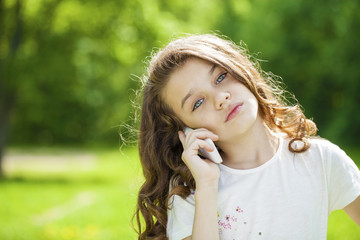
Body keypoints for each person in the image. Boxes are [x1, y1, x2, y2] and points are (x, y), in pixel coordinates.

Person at [133, 34, 360, 240]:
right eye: (198, 103)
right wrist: (207, 186)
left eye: (221, 77)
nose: (220, 98)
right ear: (184, 132)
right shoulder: (189, 190)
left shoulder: (320, 160)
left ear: (242, 71)